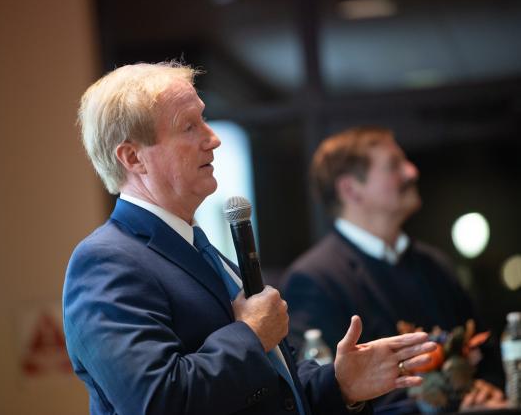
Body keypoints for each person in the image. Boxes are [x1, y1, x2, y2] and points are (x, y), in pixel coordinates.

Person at [63, 63, 436, 415]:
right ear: (133, 157)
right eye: (188, 127)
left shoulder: (202, 251)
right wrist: (250, 334)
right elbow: (156, 401)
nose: (212, 139)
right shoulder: (104, 262)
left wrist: (341, 384)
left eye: (203, 119)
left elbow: (274, 389)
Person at [282, 126, 505, 412]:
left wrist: (486, 388)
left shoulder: (435, 264)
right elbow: (322, 394)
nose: (412, 172)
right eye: (394, 166)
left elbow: (488, 352)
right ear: (351, 189)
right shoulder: (313, 279)